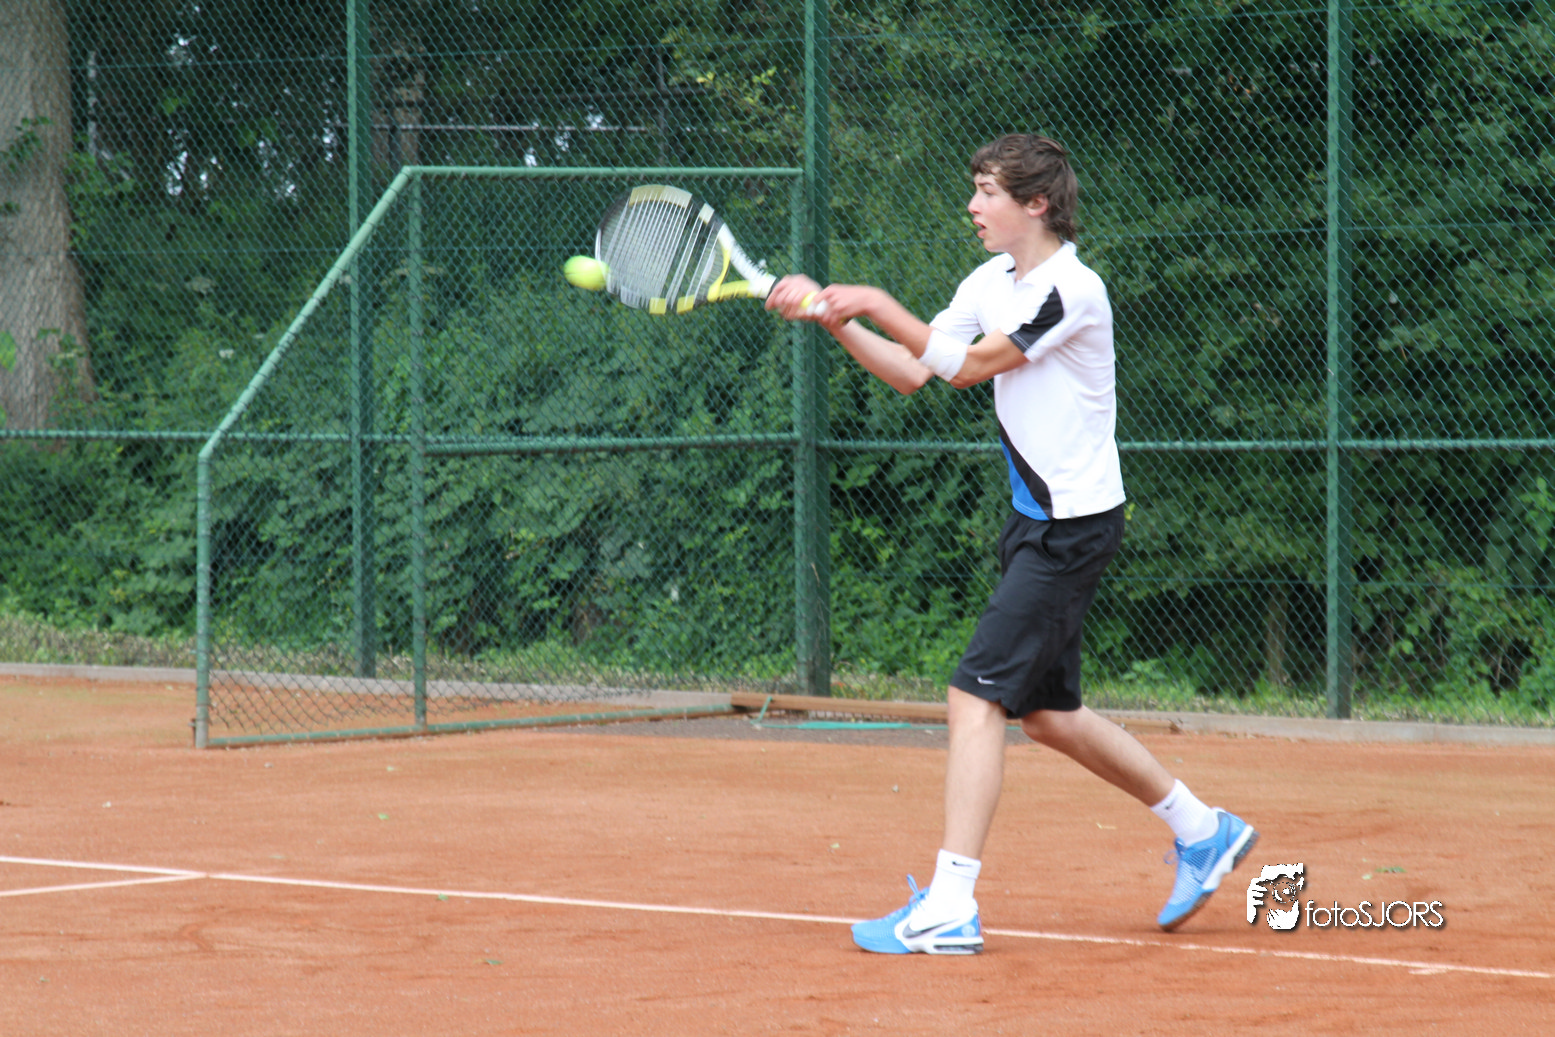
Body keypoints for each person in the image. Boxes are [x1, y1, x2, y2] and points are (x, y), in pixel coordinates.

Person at [765, 133, 1257, 954]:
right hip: (1034, 522)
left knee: (974, 696)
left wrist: (874, 299)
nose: (971, 205)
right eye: (974, 188)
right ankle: (1203, 831)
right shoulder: (988, 281)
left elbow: (970, 365)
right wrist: (834, 319)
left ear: (1036, 203)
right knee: (1049, 716)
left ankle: (950, 904)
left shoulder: (1073, 290)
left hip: (1071, 527)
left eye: (987, 191)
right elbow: (914, 370)